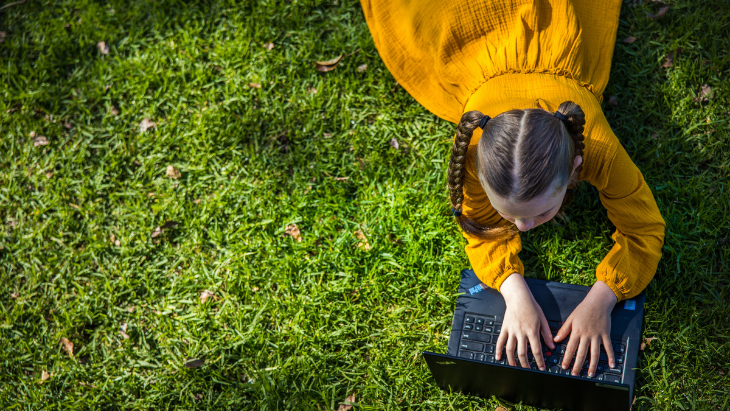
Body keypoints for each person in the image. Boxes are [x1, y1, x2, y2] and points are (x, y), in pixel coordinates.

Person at [361, 0, 665, 378]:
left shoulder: (596, 147)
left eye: (541, 212)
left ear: (575, 169)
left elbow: (644, 227)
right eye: (509, 213)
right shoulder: (475, 152)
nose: (523, 228)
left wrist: (602, 300)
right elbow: (480, 228)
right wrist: (513, 291)